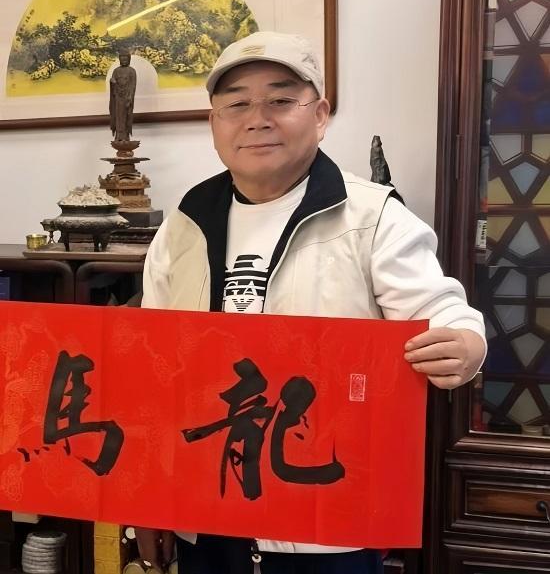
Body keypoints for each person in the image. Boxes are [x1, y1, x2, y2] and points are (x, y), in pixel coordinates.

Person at [138, 31, 487, 574]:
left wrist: (465, 343)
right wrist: (149, 499)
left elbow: (441, 312)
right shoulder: (183, 224)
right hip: (206, 507)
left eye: (280, 100)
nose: (258, 119)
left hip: (326, 516)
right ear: (214, 123)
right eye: (236, 104)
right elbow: (151, 366)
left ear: (320, 115)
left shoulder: (372, 217)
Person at [109, 50, 137, 142]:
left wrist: (130, 97)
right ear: (119, 59)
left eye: (126, 59)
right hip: (118, 97)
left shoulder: (132, 71)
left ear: (129, 59)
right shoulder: (116, 71)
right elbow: (113, 83)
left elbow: (133, 86)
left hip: (127, 97)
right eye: (122, 59)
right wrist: (112, 82)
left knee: (126, 116)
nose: (124, 61)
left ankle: (125, 135)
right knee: (118, 116)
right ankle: (118, 135)